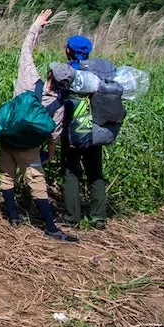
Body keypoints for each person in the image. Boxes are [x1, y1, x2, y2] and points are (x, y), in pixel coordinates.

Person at [10, 10, 79, 242]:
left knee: (6, 177)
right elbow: (54, 134)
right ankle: (50, 227)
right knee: (37, 183)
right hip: (30, 145)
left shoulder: (30, 80)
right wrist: (47, 155)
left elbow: (26, 51)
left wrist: (36, 26)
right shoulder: (58, 106)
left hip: (8, 135)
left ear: (49, 73)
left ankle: (12, 216)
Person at [59, 34, 108, 230]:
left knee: (71, 171)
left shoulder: (67, 72)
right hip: (95, 129)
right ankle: (98, 218)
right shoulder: (98, 73)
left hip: (73, 129)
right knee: (95, 172)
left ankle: (72, 218)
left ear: (68, 51)